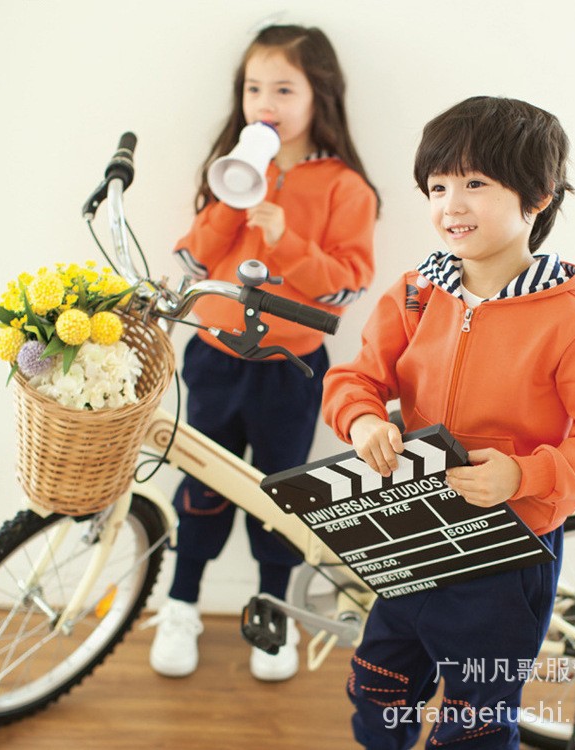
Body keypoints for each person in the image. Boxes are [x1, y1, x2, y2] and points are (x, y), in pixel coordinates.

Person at [322, 96, 575, 749]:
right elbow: (354, 379)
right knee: (378, 685)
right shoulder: (415, 293)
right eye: (438, 186)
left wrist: (524, 476)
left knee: (475, 719)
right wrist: (362, 423)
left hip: (507, 554)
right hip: (414, 534)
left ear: (538, 198)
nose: (451, 204)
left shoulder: (574, 323)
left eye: (475, 183)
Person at [147, 24, 379, 683]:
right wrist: (231, 200)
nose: (265, 103)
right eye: (254, 89)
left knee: (280, 495)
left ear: (319, 95)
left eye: (283, 89)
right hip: (214, 358)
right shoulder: (232, 169)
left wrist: (287, 241)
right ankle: (181, 604)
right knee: (202, 484)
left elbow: (348, 283)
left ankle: (273, 612)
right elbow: (194, 261)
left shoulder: (345, 188)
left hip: (289, 372)